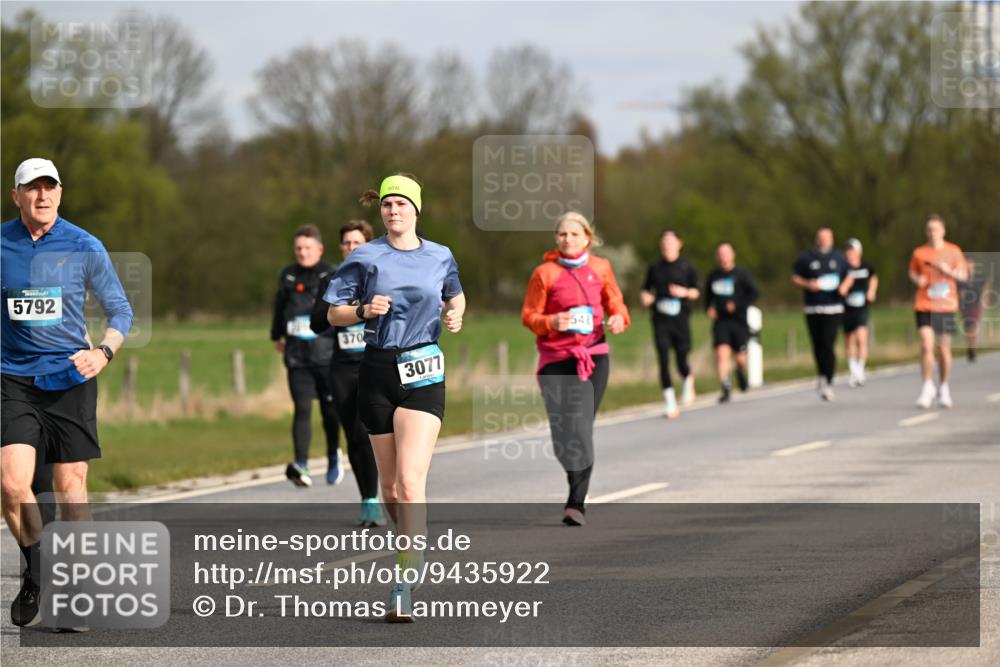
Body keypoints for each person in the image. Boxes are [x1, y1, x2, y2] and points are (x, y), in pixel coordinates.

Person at [324, 173, 464, 622]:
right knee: (389, 488)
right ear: (380, 210)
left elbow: (456, 298)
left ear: (416, 209)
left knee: (409, 481)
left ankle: (404, 580)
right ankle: (410, 544)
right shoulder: (365, 256)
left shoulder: (440, 255)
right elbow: (333, 313)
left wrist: (456, 315)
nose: (394, 211)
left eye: (402, 204)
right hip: (377, 370)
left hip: (424, 369)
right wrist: (363, 310)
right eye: (387, 205)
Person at [2, 158, 133, 627]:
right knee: (12, 483)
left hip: (71, 380)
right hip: (12, 379)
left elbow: (121, 312)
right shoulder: (1, 244)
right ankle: (39, 570)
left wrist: (104, 353)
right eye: (31, 189)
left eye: (49, 188)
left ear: (60, 192)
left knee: (69, 487)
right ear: (16, 195)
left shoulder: (84, 245)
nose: (42, 196)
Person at [522, 211, 630, 527]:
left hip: (593, 357)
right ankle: (575, 482)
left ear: (587, 237)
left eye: (573, 234)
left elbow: (617, 303)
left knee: (580, 428)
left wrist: (620, 318)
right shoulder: (544, 273)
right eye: (562, 235)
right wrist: (551, 322)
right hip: (556, 359)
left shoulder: (601, 267)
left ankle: (576, 503)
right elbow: (529, 315)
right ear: (556, 239)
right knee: (562, 434)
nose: (567, 240)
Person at [310, 220, 385, 526]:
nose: (351, 248)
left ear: (367, 244)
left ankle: (385, 493)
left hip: (376, 361)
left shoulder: (382, 273)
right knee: (353, 434)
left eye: (357, 243)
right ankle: (368, 499)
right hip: (342, 367)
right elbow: (316, 322)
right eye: (346, 244)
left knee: (370, 432)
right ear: (340, 248)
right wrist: (348, 308)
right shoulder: (331, 278)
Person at [270, 225, 341, 488]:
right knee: (301, 408)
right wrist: (276, 335)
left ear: (319, 249)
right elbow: (280, 306)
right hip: (297, 356)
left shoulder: (331, 273)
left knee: (329, 411)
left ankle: (333, 455)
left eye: (308, 247)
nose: (302, 252)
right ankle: (301, 465)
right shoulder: (287, 275)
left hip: (327, 355)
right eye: (298, 248)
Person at [909, 215, 968, 409]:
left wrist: (947, 271)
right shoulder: (919, 252)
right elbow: (912, 271)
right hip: (925, 304)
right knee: (926, 345)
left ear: (943, 231)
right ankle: (927, 387)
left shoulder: (954, 251)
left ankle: (944, 387)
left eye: (936, 229)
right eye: (929, 229)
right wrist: (917, 279)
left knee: (943, 349)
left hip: (946, 306)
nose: (932, 233)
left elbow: (963, 276)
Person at [640, 230, 699, 418]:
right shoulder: (655, 268)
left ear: (679, 244)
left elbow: (696, 292)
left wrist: (684, 293)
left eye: (670, 241)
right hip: (660, 318)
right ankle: (670, 402)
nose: (667, 245)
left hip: (680, 318)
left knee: (682, 357)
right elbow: (645, 289)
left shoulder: (686, 267)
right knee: (663, 358)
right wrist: (646, 298)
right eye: (664, 241)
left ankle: (688, 378)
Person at [792, 227, 849, 401]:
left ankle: (828, 380)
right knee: (817, 345)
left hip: (833, 307)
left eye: (828, 237)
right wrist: (808, 284)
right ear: (817, 239)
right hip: (813, 307)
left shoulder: (839, 257)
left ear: (832, 239)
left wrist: (844, 287)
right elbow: (794, 276)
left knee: (827, 343)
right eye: (821, 238)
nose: (824, 240)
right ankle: (821, 375)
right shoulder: (807, 258)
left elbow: (849, 275)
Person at [704, 243, 759, 403]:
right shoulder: (713, 275)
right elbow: (707, 297)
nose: (723, 256)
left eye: (726, 253)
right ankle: (725, 387)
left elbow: (754, 293)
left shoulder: (742, 274)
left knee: (741, 358)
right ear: (717, 256)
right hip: (721, 322)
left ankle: (740, 373)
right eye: (720, 253)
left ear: (733, 254)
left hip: (739, 321)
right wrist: (709, 308)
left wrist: (738, 305)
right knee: (722, 355)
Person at [840, 238, 878, 387]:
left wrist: (872, 291)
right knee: (849, 340)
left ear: (859, 252)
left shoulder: (866, 267)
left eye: (853, 250)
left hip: (862, 306)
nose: (850, 253)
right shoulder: (843, 268)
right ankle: (853, 370)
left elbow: (874, 277)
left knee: (861, 337)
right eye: (848, 250)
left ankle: (860, 369)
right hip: (846, 307)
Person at [958, 258, 986, 363]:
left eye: (970, 265)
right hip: (965, 306)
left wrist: (984, 298)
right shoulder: (961, 279)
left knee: (973, 327)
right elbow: (959, 293)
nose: (969, 268)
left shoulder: (978, 277)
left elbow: (985, 287)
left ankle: (973, 348)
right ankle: (970, 347)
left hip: (976, 304)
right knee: (967, 329)